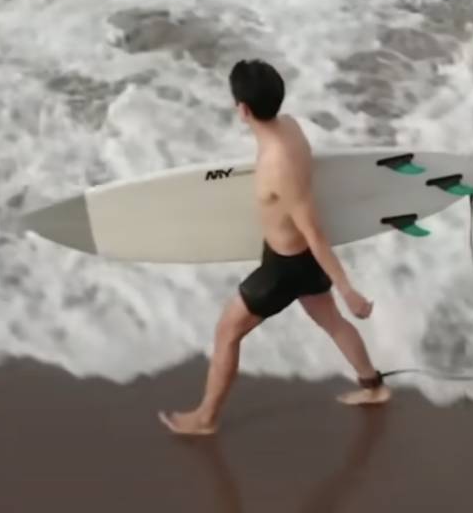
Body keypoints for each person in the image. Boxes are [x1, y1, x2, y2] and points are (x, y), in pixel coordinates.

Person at [160, 59, 390, 436]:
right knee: (331, 322)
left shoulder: (277, 163)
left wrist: (348, 289)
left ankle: (205, 418)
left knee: (227, 333)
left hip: (286, 267)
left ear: (243, 109)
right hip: (295, 257)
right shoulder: (291, 128)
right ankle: (373, 386)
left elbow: (313, 230)